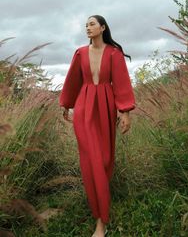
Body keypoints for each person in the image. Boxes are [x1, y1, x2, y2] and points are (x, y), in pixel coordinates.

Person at [59, 15, 136, 237]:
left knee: (103, 160)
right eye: (86, 25)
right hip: (83, 107)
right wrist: (66, 104)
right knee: (91, 160)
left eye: (92, 24)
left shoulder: (114, 53)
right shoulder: (80, 53)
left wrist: (125, 113)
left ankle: (100, 203)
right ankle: (100, 221)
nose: (88, 27)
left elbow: (121, 83)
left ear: (103, 28)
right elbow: (72, 80)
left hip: (105, 107)